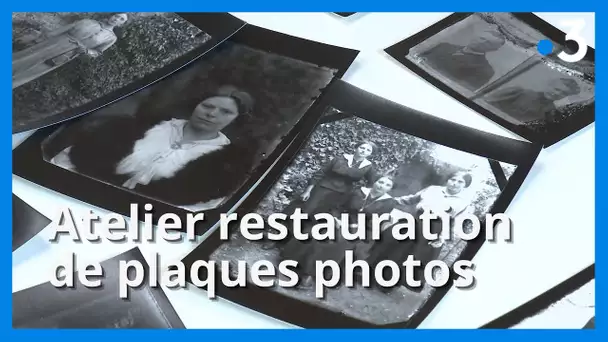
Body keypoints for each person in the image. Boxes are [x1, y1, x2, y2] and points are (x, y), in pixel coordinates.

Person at [48, 85, 256, 212]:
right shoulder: (140, 127)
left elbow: (198, 208)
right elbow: (72, 157)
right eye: (207, 106)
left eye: (225, 112)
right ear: (196, 105)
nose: (212, 114)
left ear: (236, 120)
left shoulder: (224, 163)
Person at [281, 175, 397, 289]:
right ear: (375, 182)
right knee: (317, 232)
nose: (382, 186)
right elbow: (338, 206)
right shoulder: (358, 191)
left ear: (390, 189)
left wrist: (354, 226)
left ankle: (310, 274)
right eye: (380, 182)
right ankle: (293, 262)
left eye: (387, 185)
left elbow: (375, 221)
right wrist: (336, 218)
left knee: (338, 241)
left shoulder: (389, 203)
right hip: (339, 219)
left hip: (359, 227)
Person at [366, 171, 474, 293]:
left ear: (465, 185)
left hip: (433, 229)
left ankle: (389, 285)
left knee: (411, 257)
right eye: (453, 179)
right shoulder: (432, 189)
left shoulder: (464, 202)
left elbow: (453, 223)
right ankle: (373, 274)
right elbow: (411, 199)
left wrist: (442, 237)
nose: (454, 183)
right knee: (390, 242)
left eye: (460, 182)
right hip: (415, 221)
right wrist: (388, 200)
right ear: (448, 180)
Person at [261, 141, 378, 250]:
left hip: (340, 197)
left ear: (370, 154)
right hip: (322, 189)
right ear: (356, 148)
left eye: (368, 150)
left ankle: (288, 245)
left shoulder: (368, 167)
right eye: (362, 148)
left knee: (316, 219)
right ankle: (276, 239)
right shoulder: (340, 158)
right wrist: (308, 190)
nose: (364, 151)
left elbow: (371, 183)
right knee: (303, 213)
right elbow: (321, 173)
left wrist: (360, 193)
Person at [12, 13, 128, 89]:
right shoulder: (88, 21)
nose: (116, 19)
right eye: (116, 15)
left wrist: (86, 51)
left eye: (121, 19)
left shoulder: (111, 38)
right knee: (24, 58)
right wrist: (39, 39)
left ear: (122, 24)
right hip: (54, 43)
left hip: (67, 54)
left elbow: (97, 52)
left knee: (35, 70)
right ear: (112, 15)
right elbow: (61, 30)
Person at [419, 27, 506, 92]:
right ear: (475, 36)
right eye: (482, 38)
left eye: (488, 43)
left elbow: (458, 89)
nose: (481, 42)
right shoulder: (444, 46)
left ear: (493, 49)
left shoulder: (485, 70)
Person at [483, 77, 582, 124]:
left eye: (563, 93)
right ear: (549, 85)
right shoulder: (518, 92)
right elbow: (485, 103)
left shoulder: (551, 113)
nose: (556, 94)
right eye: (556, 89)